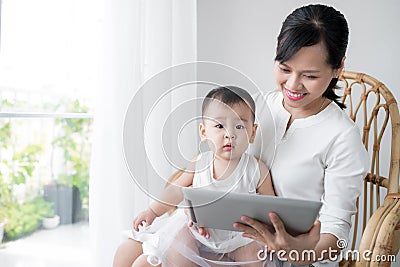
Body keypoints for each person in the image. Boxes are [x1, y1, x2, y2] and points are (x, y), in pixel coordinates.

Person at [231, 4, 369, 267]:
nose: (293, 85)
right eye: (284, 69)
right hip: (238, 242)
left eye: (309, 75)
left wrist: (301, 252)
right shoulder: (258, 106)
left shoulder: (341, 136)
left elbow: (337, 231)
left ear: (338, 68)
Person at [114, 86, 276, 267]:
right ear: (204, 132)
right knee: (178, 239)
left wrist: (270, 232)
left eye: (239, 126)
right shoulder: (200, 163)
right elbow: (176, 190)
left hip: (239, 235)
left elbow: (272, 207)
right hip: (198, 229)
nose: (229, 134)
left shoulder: (257, 169)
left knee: (255, 255)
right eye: (219, 126)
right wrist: (152, 211)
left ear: (252, 133)